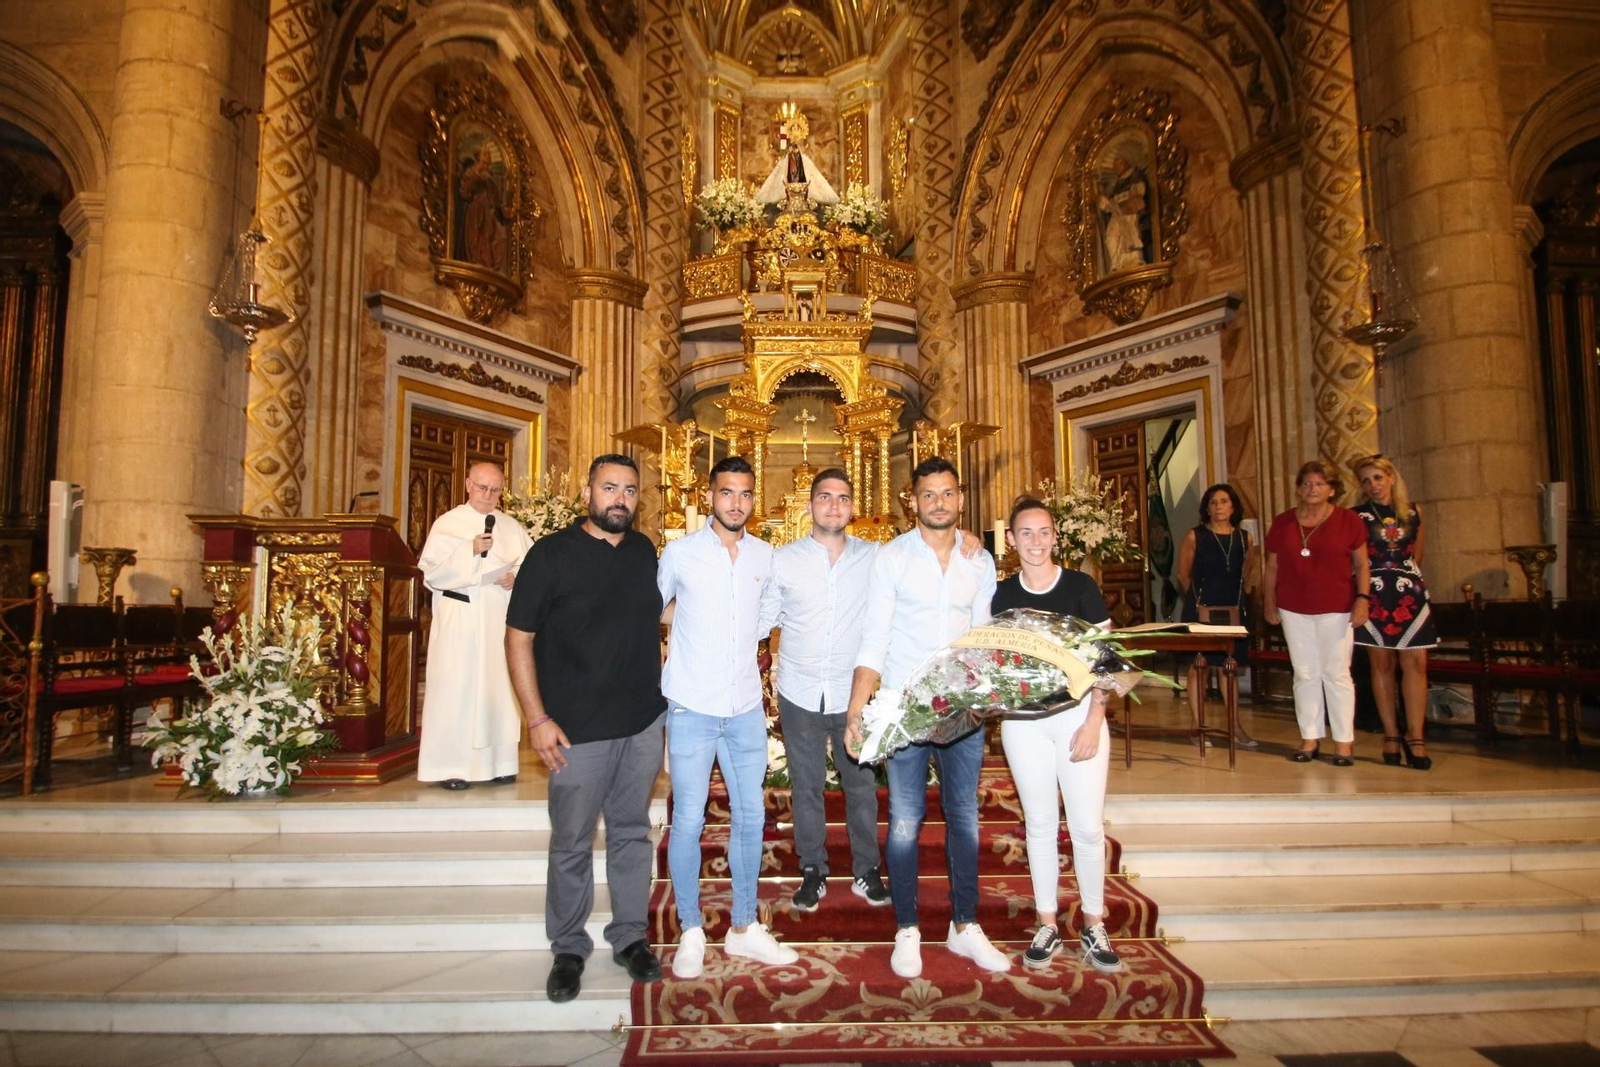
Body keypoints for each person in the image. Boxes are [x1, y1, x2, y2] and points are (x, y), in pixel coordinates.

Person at [504, 455, 667, 1003]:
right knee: (572, 840)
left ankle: (630, 936)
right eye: (609, 487)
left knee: (631, 833)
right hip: (576, 730)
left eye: (629, 490)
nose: (619, 498)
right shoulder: (550, 555)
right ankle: (569, 947)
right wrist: (537, 718)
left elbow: (656, 619)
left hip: (641, 722)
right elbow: (518, 637)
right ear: (587, 491)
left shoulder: (644, 552)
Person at [845, 456, 1008, 979]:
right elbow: (875, 636)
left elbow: (983, 637)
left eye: (947, 493)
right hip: (907, 706)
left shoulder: (978, 561)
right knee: (905, 819)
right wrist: (857, 710)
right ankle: (907, 928)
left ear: (960, 498)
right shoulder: (892, 558)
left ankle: (965, 925)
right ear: (912, 501)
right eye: (929, 494)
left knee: (964, 816)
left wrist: (989, 693)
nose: (939, 502)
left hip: (961, 705)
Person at [659, 455, 798, 979]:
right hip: (692, 704)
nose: (736, 503)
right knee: (689, 819)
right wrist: (693, 619)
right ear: (709, 496)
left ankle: (743, 926)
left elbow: (770, 611)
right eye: (726, 493)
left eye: (744, 494)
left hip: (743, 707)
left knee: (751, 816)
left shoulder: (765, 554)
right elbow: (652, 606)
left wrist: (741, 631)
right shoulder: (681, 552)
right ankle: (691, 929)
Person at [994, 497, 1122, 975]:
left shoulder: (1080, 588)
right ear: (1011, 539)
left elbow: (1106, 659)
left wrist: (1094, 720)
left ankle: (1093, 921)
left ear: (1055, 536)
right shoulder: (1001, 594)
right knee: (1041, 824)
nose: (1036, 541)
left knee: (1086, 827)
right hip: (1023, 723)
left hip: (1078, 718)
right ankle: (1047, 922)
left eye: (1043, 531)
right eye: (1026, 533)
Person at [759, 469, 890, 914]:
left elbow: (920, 557)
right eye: (825, 497)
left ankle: (866, 869)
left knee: (861, 786)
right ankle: (813, 868)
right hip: (799, 689)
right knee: (806, 786)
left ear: (853, 507)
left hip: (854, 692)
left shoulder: (875, 557)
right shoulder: (783, 560)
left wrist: (965, 537)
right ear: (810, 504)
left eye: (843, 498)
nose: (834, 505)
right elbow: (763, 618)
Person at [415, 461, 531, 790]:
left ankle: (500, 764)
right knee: (458, 690)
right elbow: (431, 573)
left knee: (498, 691)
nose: (488, 495)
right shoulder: (448, 523)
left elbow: (532, 567)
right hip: (461, 618)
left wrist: (515, 577)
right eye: (482, 488)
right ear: (468, 485)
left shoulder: (510, 526)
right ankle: (452, 767)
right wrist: (469, 549)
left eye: (495, 490)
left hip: (498, 618)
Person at [1262, 461, 1370, 766]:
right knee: (1305, 673)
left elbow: (1362, 565)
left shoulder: (1348, 521)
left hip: (1337, 607)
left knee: (1336, 673)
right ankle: (1310, 737)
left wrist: (1362, 599)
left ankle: (1343, 741)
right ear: (1298, 489)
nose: (1313, 489)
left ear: (1332, 490)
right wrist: (1269, 601)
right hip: (1293, 606)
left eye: (1320, 484)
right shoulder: (1283, 522)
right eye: (1307, 483)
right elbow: (1272, 566)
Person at [1351, 454, 1438, 771]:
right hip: (1374, 590)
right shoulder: (1356, 516)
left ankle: (1416, 735)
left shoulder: (1414, 512)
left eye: (1377, 477)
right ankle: (1390, 732)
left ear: (1391, 477)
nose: (1373, 485)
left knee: (1416, 663)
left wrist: (1409, 582)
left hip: (1408, 592)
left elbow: (1418, 554)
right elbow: (1355, 559)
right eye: (1366, 480)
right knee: (1382, 663)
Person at [1174, 482, 1260, 747]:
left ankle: (1235, 727)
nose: (1218, 506)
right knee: (1199, 666)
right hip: (1201, 609)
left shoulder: (1244, 538)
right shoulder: (1195, 536)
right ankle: (1197, 727)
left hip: (1232, 610)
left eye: (1224, 501)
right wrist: (1198, 603)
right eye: (1213, 502)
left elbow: (1246, 573)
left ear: (1233, 506)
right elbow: (1183, 575)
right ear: (1207, 509)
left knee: (1228, 667)